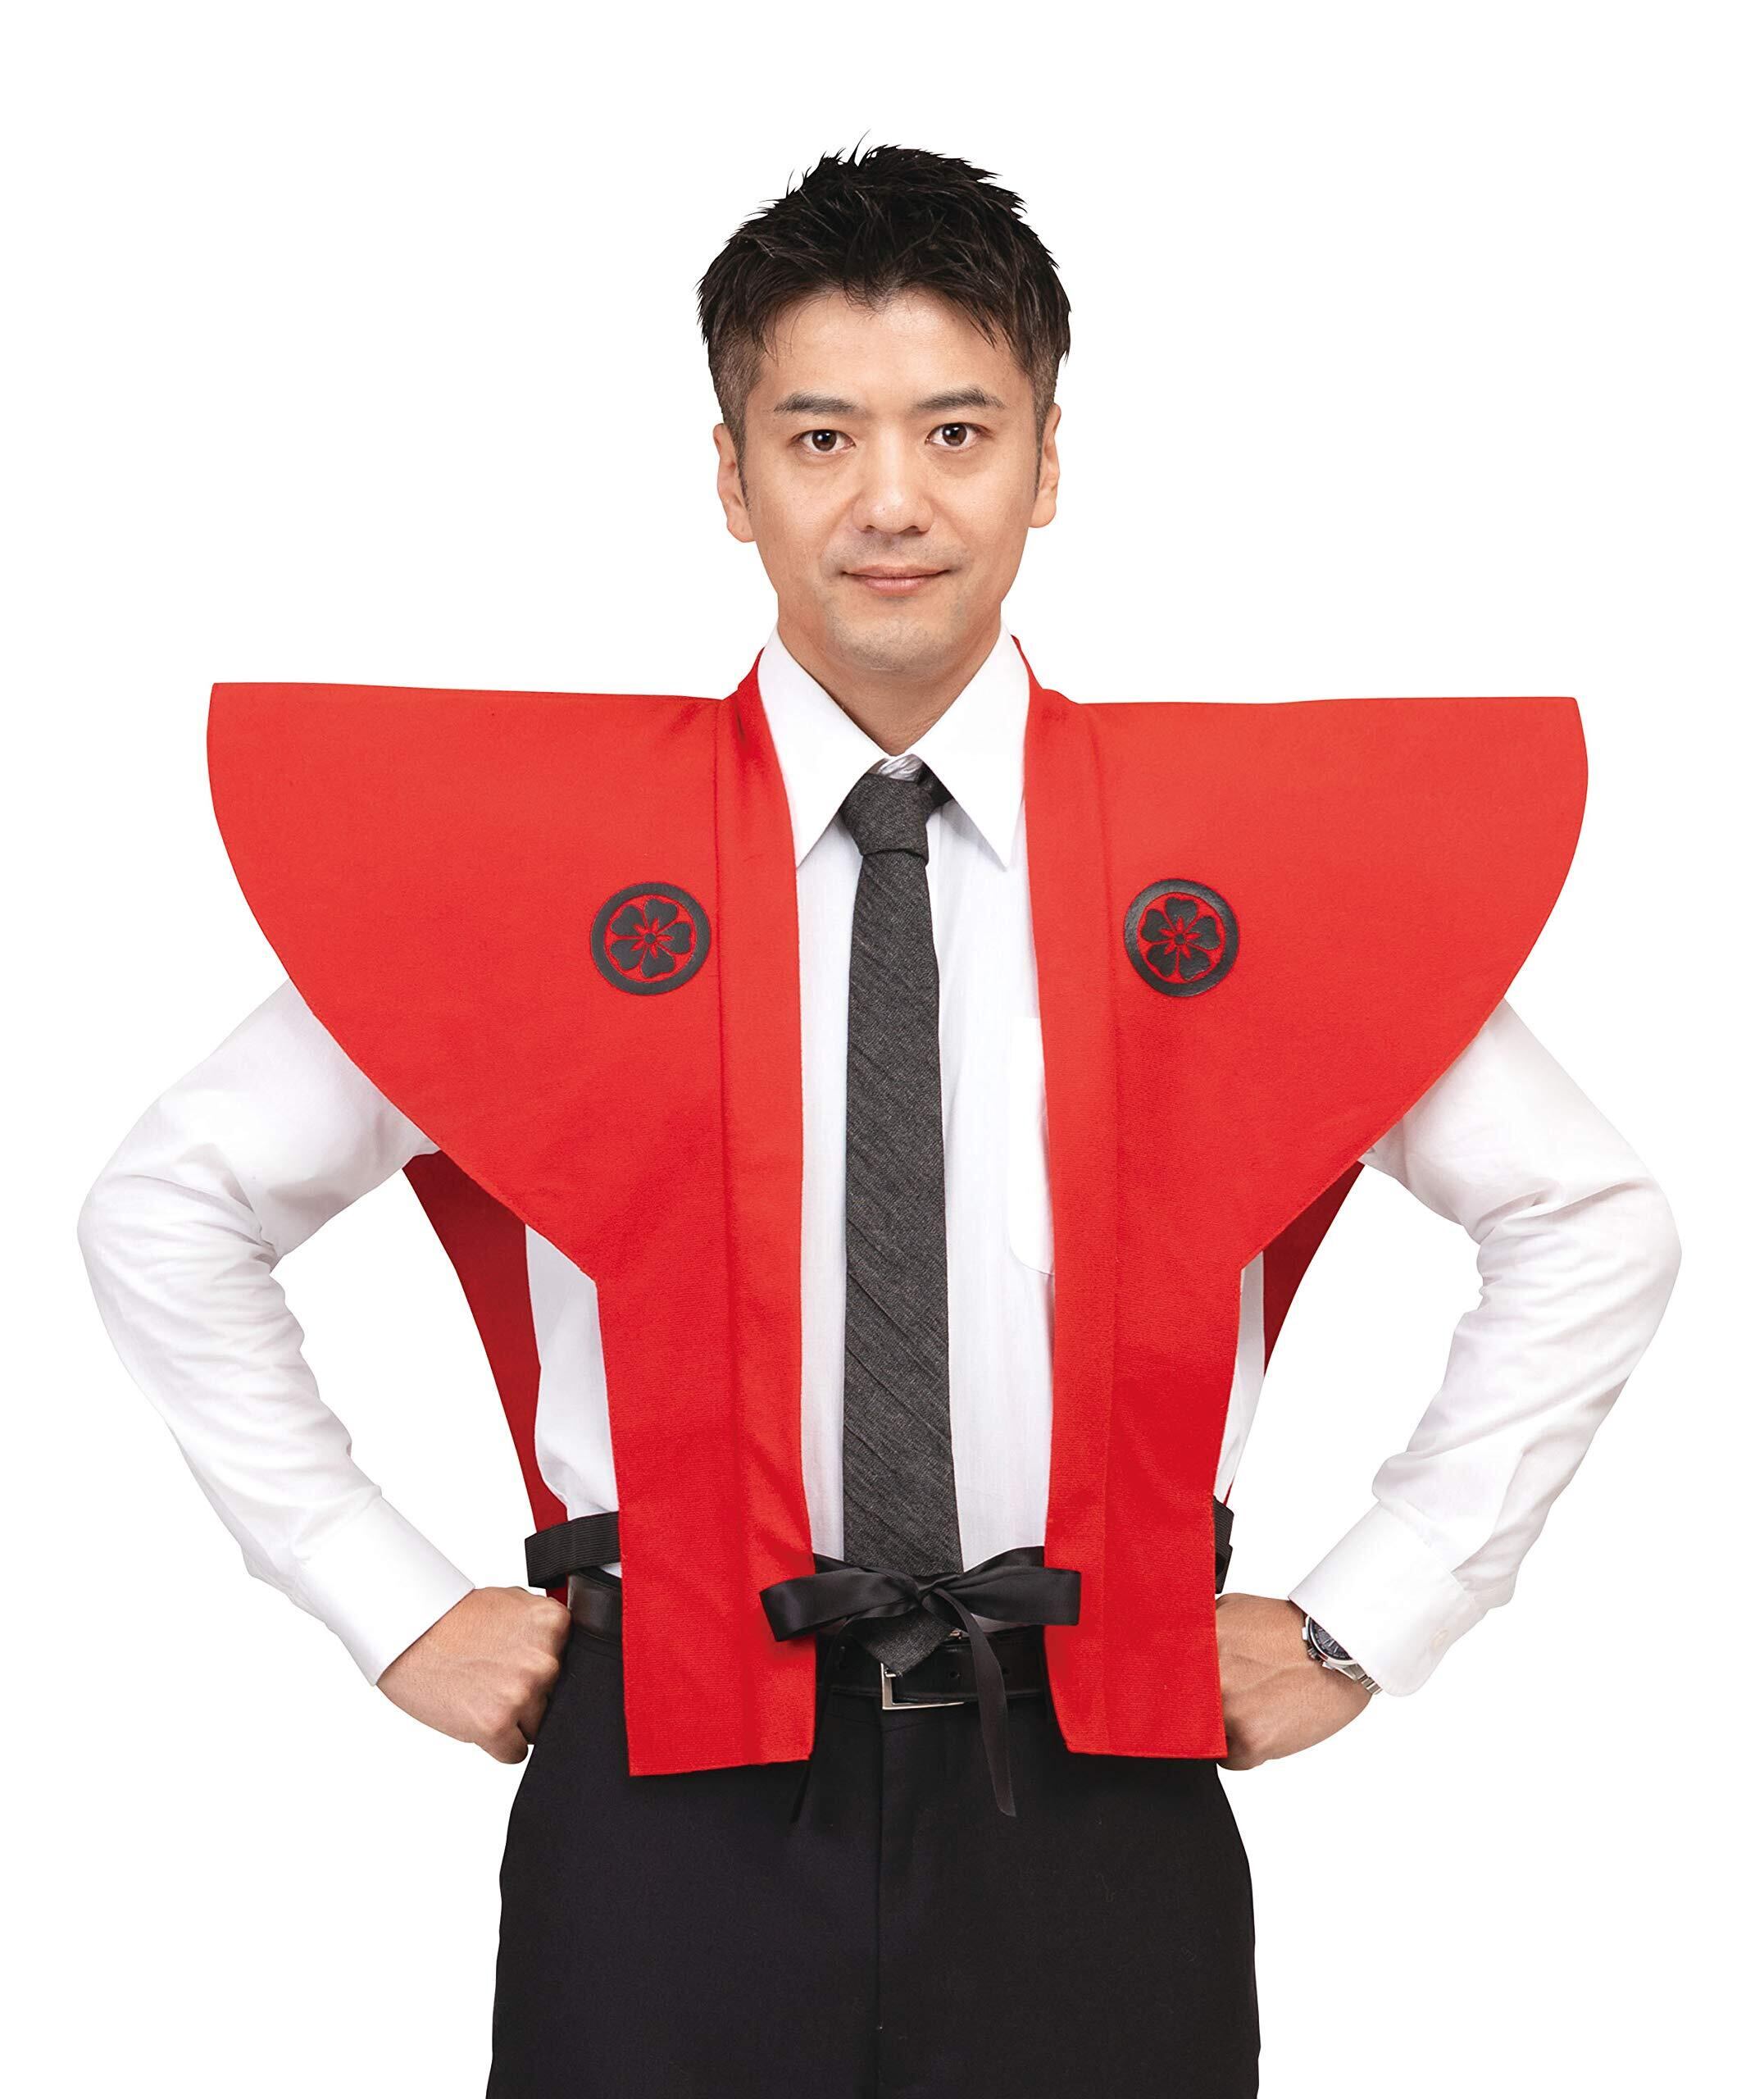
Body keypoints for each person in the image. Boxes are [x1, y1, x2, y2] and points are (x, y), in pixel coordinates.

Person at [76, 143, 1682, 2097]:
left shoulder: (1231, 860)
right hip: (660, 1778)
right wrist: (380, 1592)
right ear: (731, 474)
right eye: (820, 434)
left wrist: (1370, 1613)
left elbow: (1589, 1214)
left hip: (1093, 1769)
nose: (891, 499)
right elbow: (170, 1201)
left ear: (1047, 461)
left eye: (956, 430)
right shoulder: (537, 863)